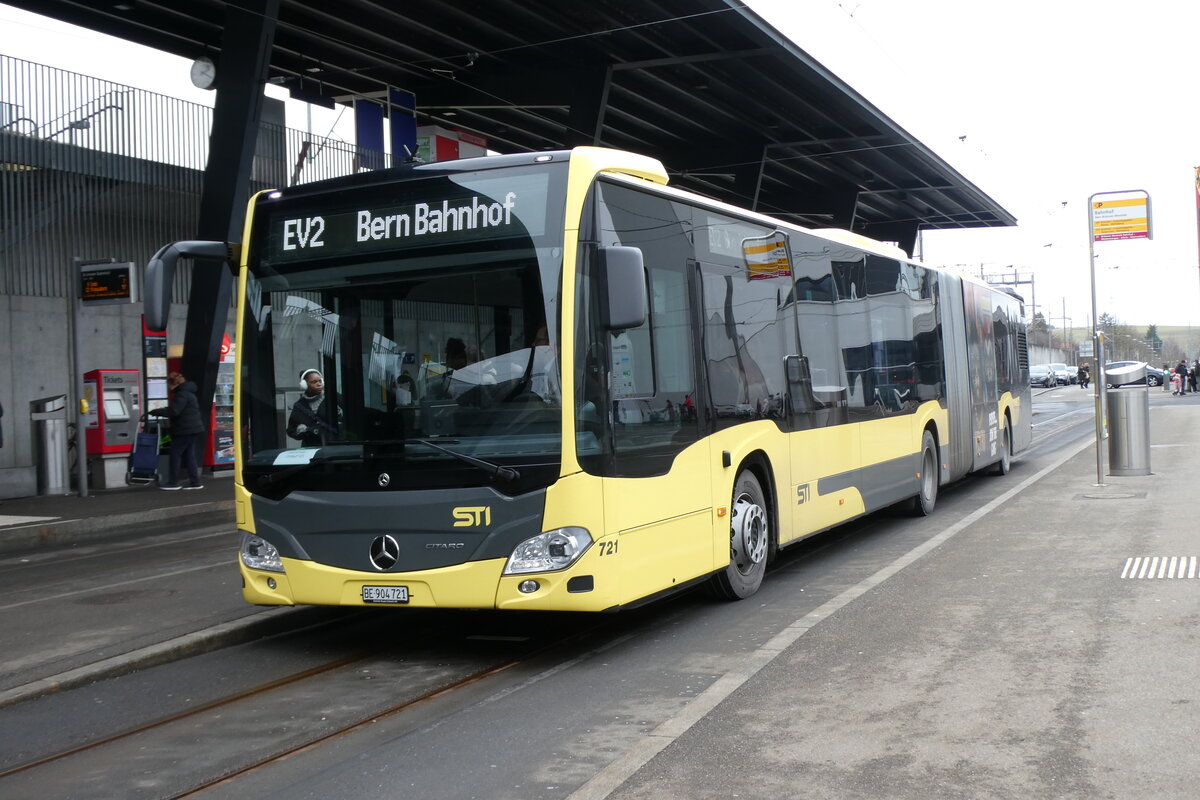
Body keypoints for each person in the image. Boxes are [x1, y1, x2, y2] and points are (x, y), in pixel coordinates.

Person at [149, 372, 204, 490]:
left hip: (184, 429)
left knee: (175, 454)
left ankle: (173, 482)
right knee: (189, 455)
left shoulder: (181, 394)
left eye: (169, 385)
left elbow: (174, 411)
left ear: (173, 384)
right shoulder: (189, 393)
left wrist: (157, 411)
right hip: (194, 428)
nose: (168, 388)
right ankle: (195, 482)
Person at [288, 368, 340, 446]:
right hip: (310, 449)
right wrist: (302, 432)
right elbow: (291, 430)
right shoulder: (299, 406)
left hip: (333, 446)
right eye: (314, 382)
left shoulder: (334, 397)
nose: (319, 384)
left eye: (320, 381)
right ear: (304, 385)